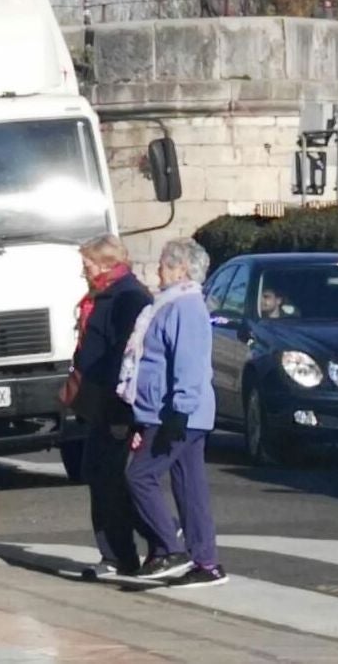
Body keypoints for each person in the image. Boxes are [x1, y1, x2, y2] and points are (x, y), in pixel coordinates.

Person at [118, 238, 228, 588]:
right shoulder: (169, 304)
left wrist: (179, 411)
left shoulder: (185, 307)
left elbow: (190, 363)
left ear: (181, 269)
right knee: (190, 488)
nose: (157, 270)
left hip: (175, 414)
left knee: (139, 477)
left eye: (164, 264)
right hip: (169, 411)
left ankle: (169, 548)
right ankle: (206, 562)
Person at [67, 235, 156, 579]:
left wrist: (121, 404)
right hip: (100, 400)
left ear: (105, 263)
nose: (83, 272)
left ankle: (154, 537)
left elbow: (127, 353)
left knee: (111, 477)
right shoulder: (105, 294)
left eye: (86, 264)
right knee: (97, 473)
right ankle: (117, 554)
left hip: (116, 402)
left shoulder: (128, 296)